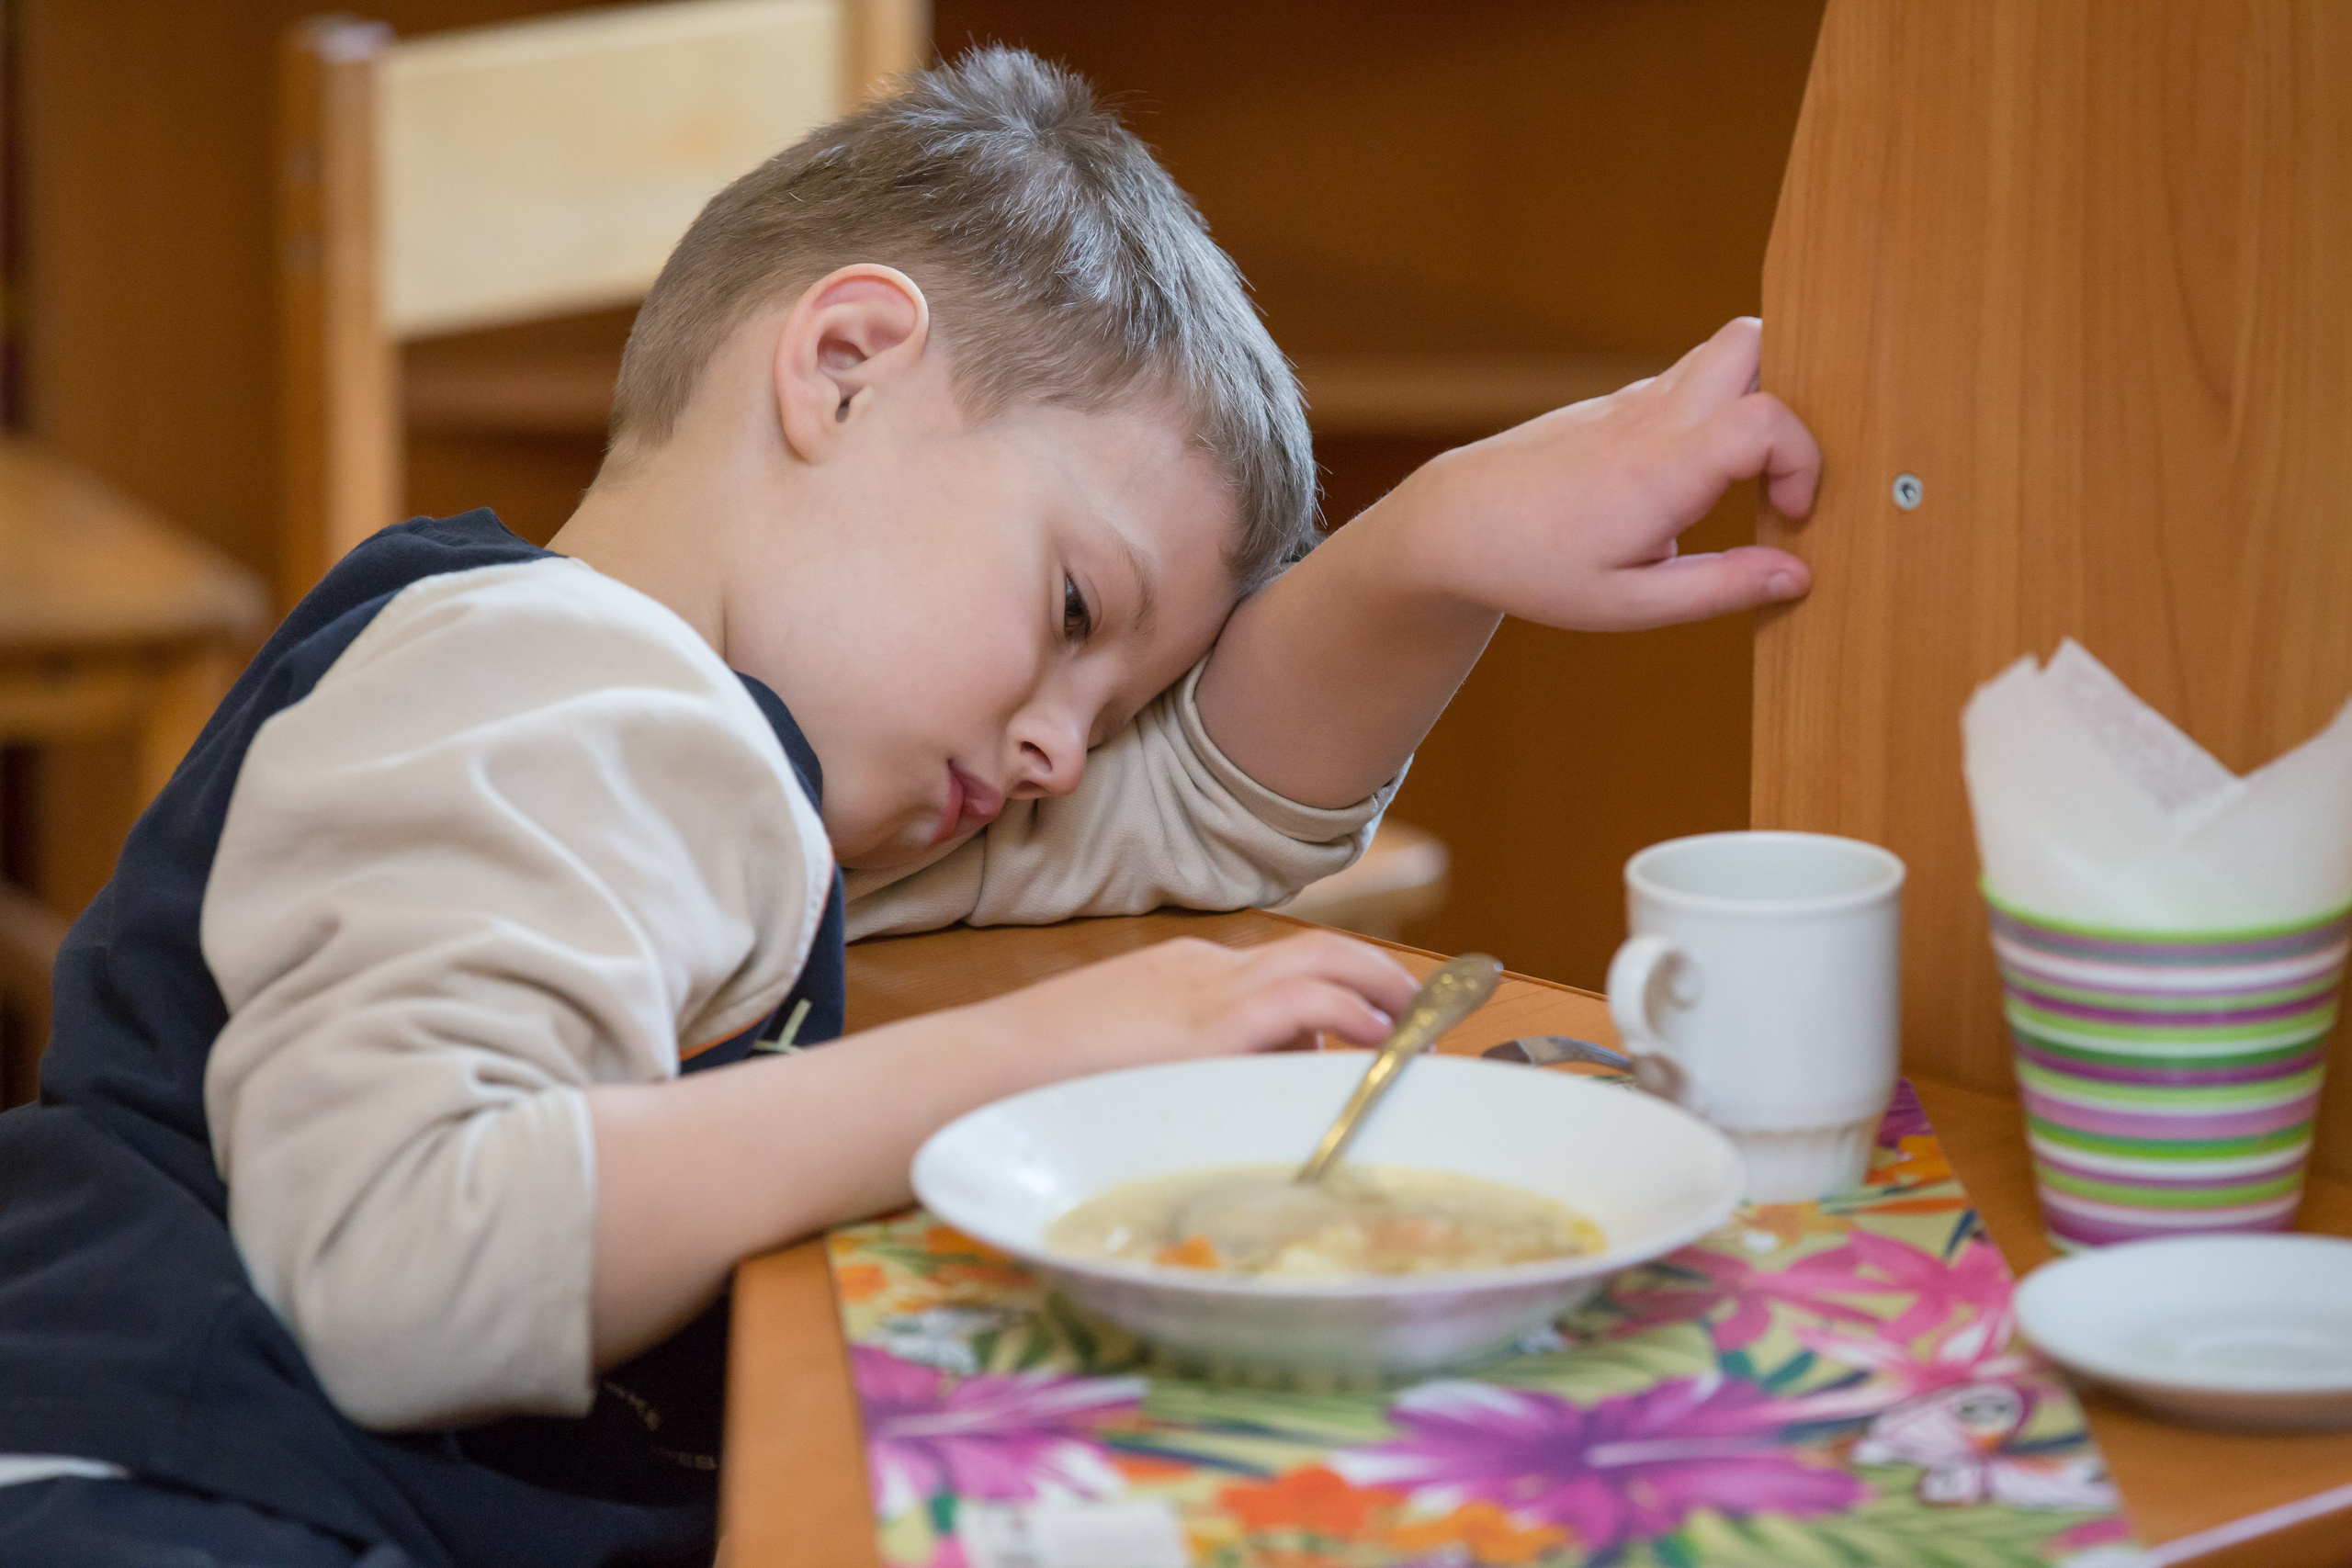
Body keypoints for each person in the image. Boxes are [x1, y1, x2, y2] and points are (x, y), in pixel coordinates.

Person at [0, 46, 1817, 1568]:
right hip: (147, 1493)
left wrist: (1436, 548)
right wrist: (1032, 1049)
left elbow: (1209, 809)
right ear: (844, 367)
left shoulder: (749, 764)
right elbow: (403, 1265)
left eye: (1099, 699)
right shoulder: (546, 697)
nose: (1059, 751)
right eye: (1073, 616)